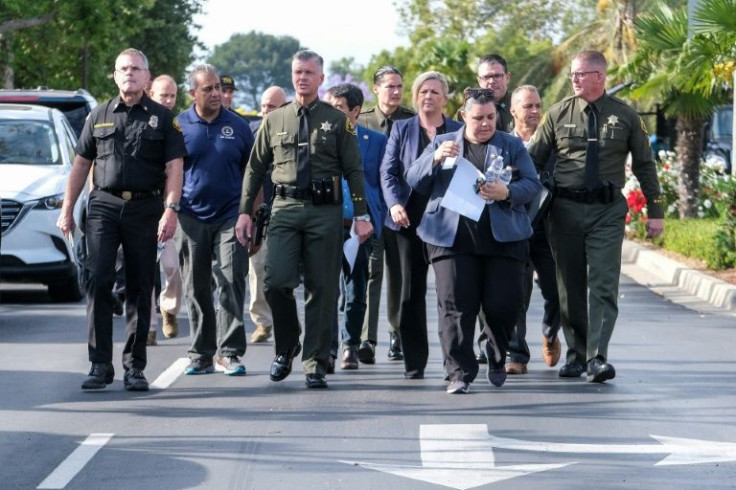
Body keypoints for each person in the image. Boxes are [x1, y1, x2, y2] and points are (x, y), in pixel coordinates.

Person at [235, 50, 373, 389]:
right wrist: (244, 213)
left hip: (324, 212)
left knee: (321, 288)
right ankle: (287, 345)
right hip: (284, 208)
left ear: (321, 79)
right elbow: (255, 167)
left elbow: (354, 170)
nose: (302, 77)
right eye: (298, 71)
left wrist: (361, 214)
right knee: (276, 282)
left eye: (310, 72)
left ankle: (314, 362)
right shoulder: (275, 119)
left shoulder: (338, 121)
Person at [527, 50, 664, 383]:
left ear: (599, 77)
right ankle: (575, 354)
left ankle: (597, 356)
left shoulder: (627, 117)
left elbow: (646, 165)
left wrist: (656, 212)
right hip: (564, 211)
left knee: (603, 283)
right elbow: (532, 160)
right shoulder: (558, 114)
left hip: (606, 211)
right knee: (569, 285)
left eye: (581, 74)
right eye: (573, 73)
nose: (574, 79)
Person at [57, 48, 186, 391]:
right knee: (98, 280)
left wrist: (170, 210)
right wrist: (67, 208)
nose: (129, 73)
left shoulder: (163, 118)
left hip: (146, 208)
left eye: (135, 68)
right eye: (123, 69)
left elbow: (175, 169)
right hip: (104, 205)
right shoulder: (98, 115)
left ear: (147, 76)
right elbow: (81, 164)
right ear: (115, 76)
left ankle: (134, 366)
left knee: (140, 286)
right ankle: (100, 365)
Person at [406, 87, 541, 393]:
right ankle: (459, 372)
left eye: (491, 117)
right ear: (464, 116)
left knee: (503, 306)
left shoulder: (510, 145)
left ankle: (496, 356)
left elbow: (533, 184)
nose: (485, 124)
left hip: (502, 240)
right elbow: (413, 179)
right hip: (452, 239)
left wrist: (507, 193)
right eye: (478, 118)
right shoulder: (443, 143)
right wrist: (435, 159)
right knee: (455, 306)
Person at [380, 71, 462, 379]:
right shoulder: (401, 129)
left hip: (445, 221)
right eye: (423, 91)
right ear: (416, 97)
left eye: (434, 92)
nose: (428, 96)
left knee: (448, 294)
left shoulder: (458, 130)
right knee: (410, 294)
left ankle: (452, 362)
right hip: (407, 221)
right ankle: (414, 363)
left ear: (444, 97)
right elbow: (387, 173)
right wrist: (394, 204)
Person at [177, 64, 255, 376]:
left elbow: (254, 174)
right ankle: (201, 354)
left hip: (230, 217)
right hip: (190, 216)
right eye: (207, 88)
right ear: (192, 92)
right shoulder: (178, 125)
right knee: (196, 287)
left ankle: (230, 353)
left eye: (218, 88)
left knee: (230, 282)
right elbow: (169, 171)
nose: (215, 94)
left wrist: (249, 214)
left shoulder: (237, 125)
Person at [324, 83, 387, 370]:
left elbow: (383, 183)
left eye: (338, 108)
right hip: (324, 223)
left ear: (355, 111)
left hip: (360, 226)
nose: (331, 113)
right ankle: (328, 349)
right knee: (325, 290)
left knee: (356, 288)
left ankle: (351, 345)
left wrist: (375, 218)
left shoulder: (375, 141)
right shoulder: (319, 140)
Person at [357, 65, 415, 363]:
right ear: (376, 89)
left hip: (401, 209)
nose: (395, 92)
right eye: (389, 86)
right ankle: (367, 338)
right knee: (371, 273)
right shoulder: (363, 120)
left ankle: (397, 334)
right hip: (371, 210)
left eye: (399, 87)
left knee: (399, 276)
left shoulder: (411, 120)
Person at [504, 85, 562, 375]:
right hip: (516, 225)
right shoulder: (502, 144)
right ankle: (516, 353)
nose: (535, 111)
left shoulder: (555, 144)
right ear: (513, 110)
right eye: (528, 106)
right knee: (516, 290)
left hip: (548, 227)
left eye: (538, 105)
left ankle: (551, 333)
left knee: (556, 290)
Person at [248, 86, 287, 344]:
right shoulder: (249, 133)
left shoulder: (292, 132)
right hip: (254, 211)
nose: (265, 111)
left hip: (284, 209)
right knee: (257, 266)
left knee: (280, 271)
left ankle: (281, 318)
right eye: (263, 106)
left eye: (271, 107)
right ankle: (262, 321)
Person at [148, 74, 184, 342]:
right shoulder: (138, 120)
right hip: (139, 205)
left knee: (171, 267)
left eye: (172, 96)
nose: (169, 100)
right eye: (164, 95)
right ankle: (148, 327)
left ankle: (169, 309)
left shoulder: (175, 125)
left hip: (168, 206)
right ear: (151, 94)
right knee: (143, 269)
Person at [476, 54, 514, 132]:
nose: (492, 81)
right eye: (486, 77)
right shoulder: (469, 110)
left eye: (497, 76)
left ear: (507, 77)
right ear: (479, 81)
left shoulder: (522, 105)